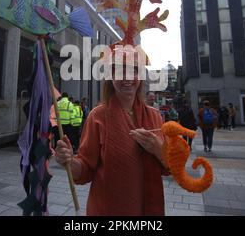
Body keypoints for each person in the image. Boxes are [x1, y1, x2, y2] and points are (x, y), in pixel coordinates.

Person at [54, 51, 169, 215]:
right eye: (120, 71)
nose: (127, 77)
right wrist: (70, 162)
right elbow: (85, 168)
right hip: (107, 208)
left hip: (148, 209)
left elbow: (170, 166)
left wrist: (158, 149)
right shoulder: (97, 116)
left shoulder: (155, 116)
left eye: (134, 70)